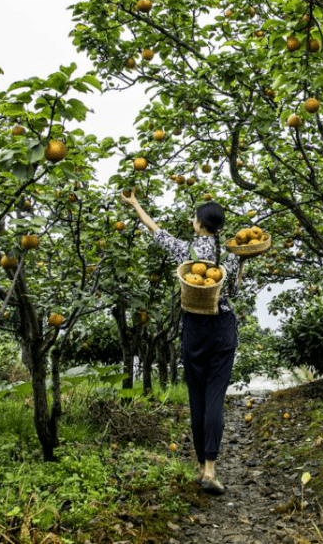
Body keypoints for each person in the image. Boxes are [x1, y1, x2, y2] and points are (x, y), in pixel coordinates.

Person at [120, 192, 245, 495]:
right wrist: (241, 264)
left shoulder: (185, 251)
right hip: (223, 326)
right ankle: (212, 470)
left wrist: (135, 204)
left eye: (194, 218)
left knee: (197, 398)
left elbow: (155, 230)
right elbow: (237, 293)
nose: (193, 221)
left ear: (200, 225)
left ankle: (201, 466)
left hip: (194, 327)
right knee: (215, 397)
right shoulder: (228, 255)